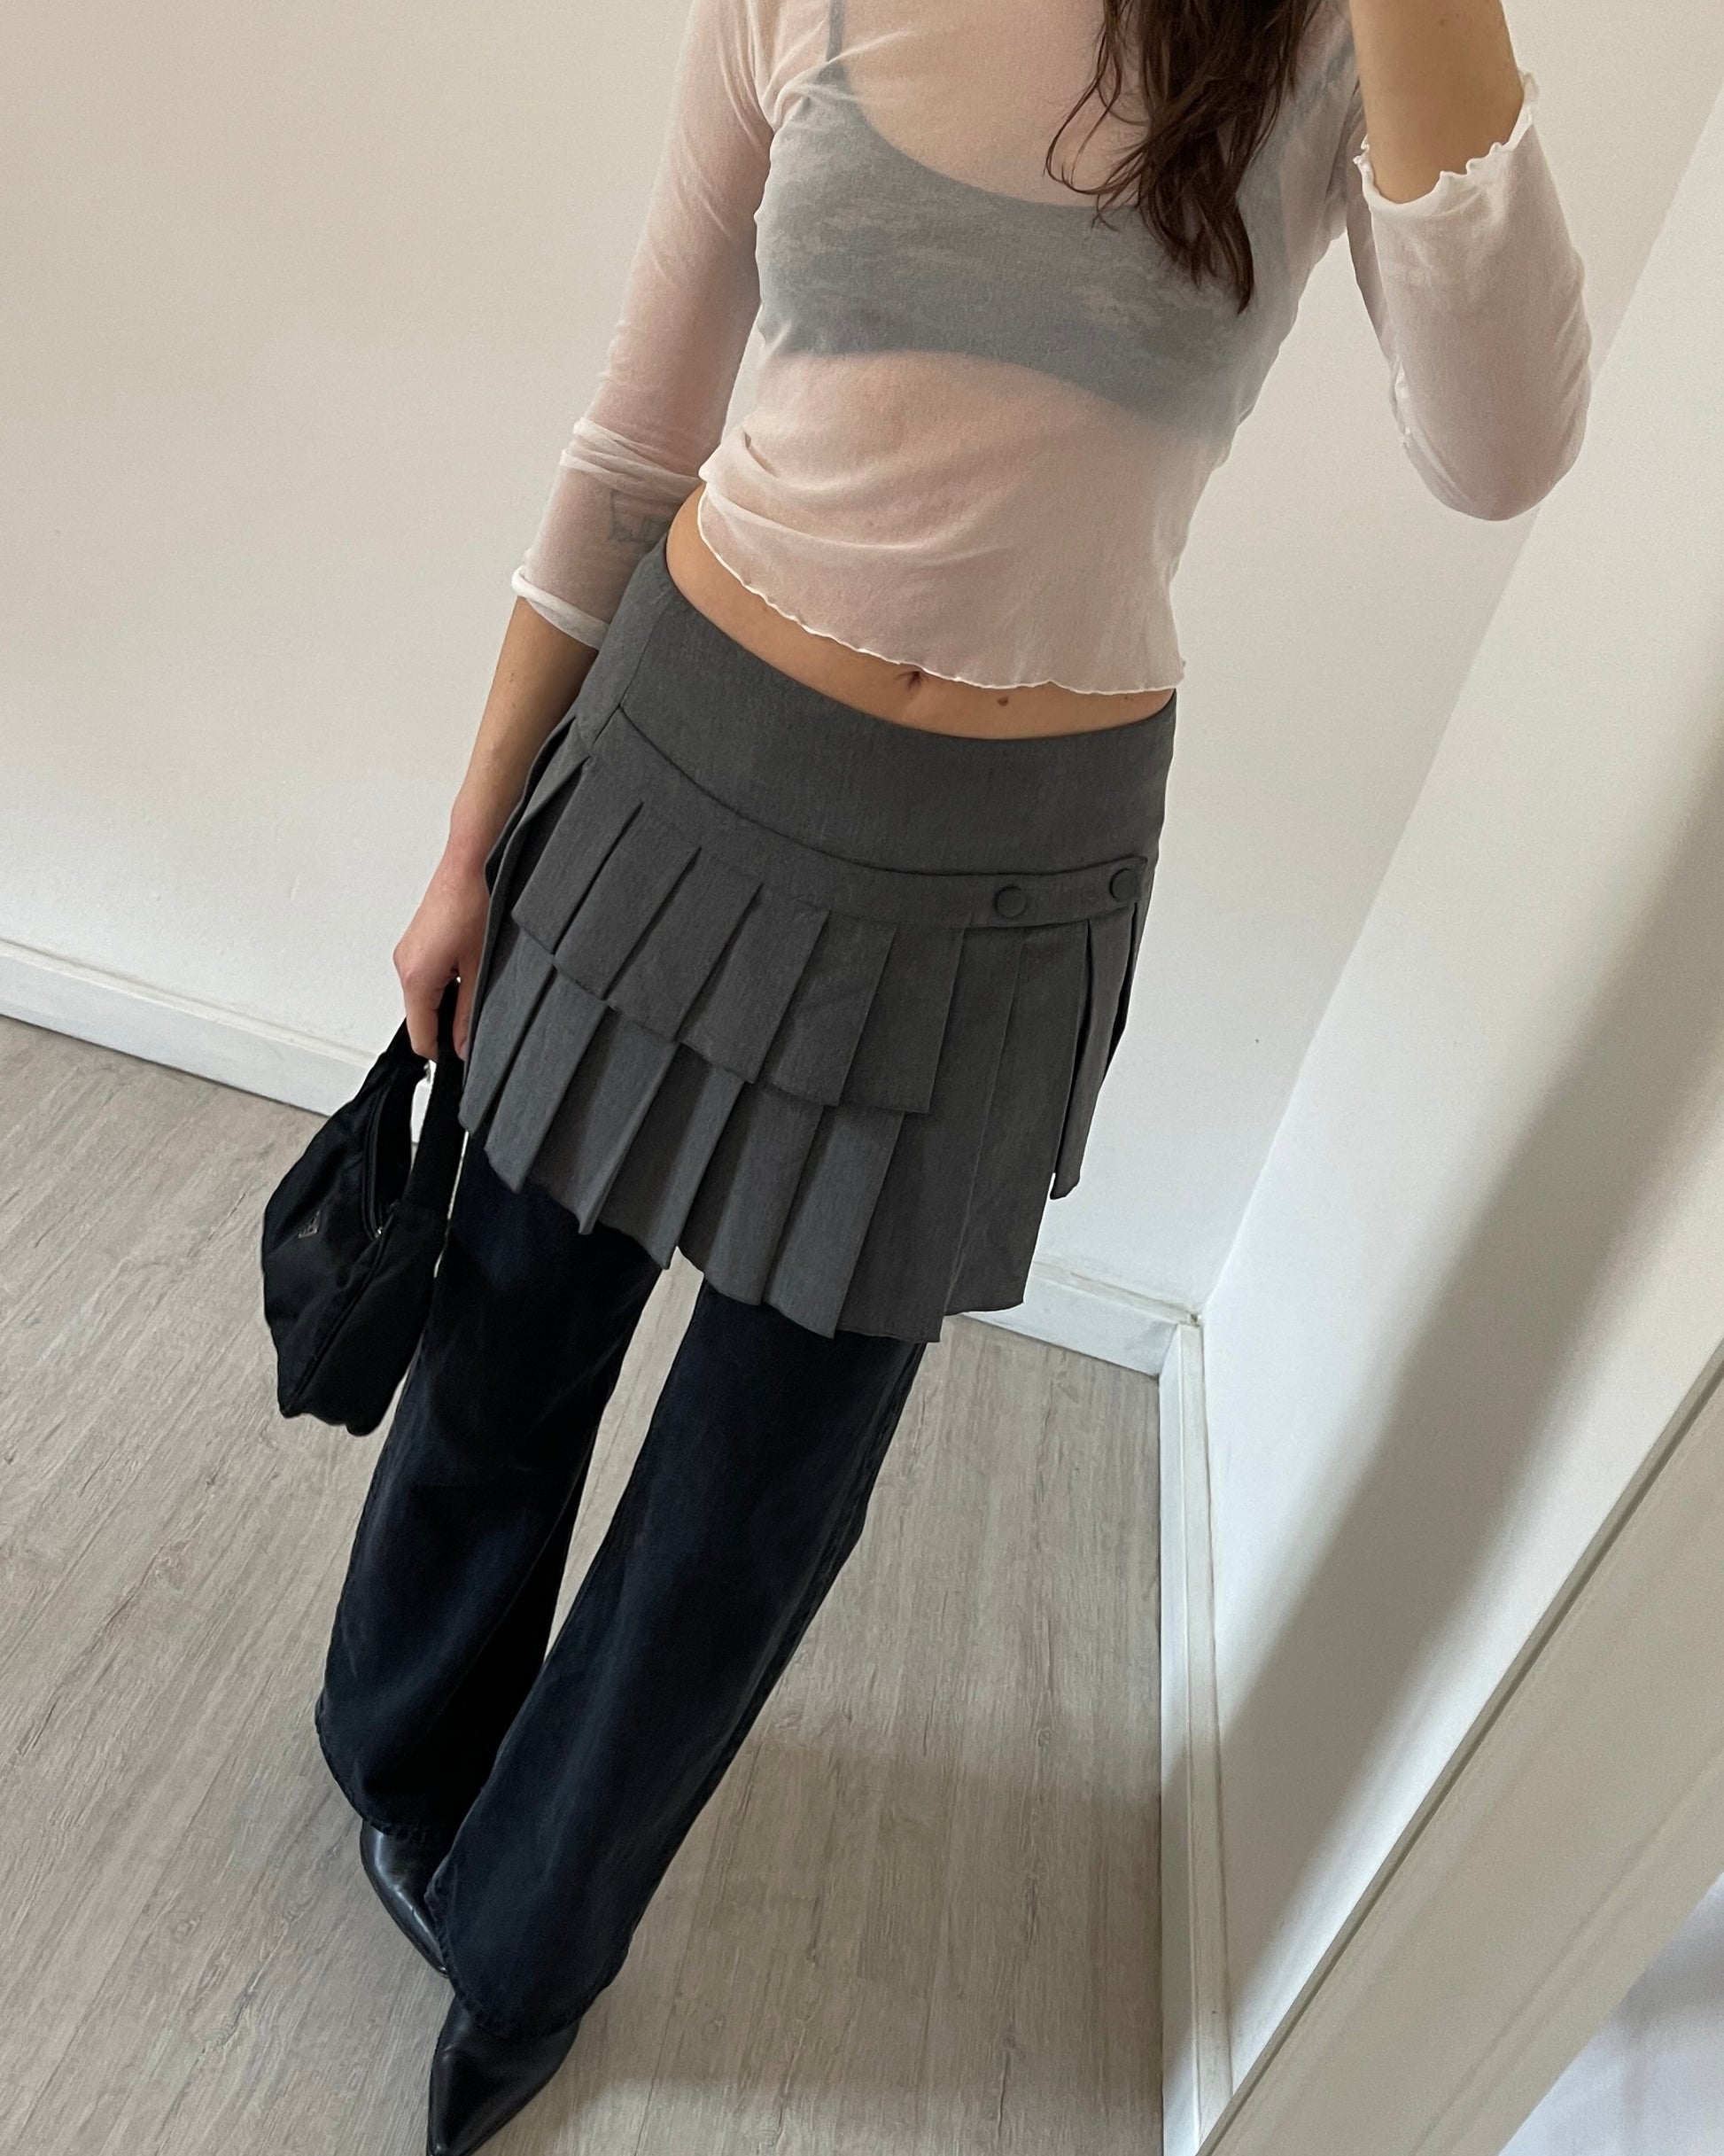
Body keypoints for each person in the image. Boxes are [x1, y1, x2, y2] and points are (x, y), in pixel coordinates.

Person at [313, 0, 1592, 2146]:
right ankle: (399, 1748)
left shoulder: (1326, 44)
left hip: (1000, 890)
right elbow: (633, 441)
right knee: (509, 1331)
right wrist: (467, 841)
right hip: (674, 770)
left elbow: (1502, 450)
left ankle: (530, 1945)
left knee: (754, 1492)